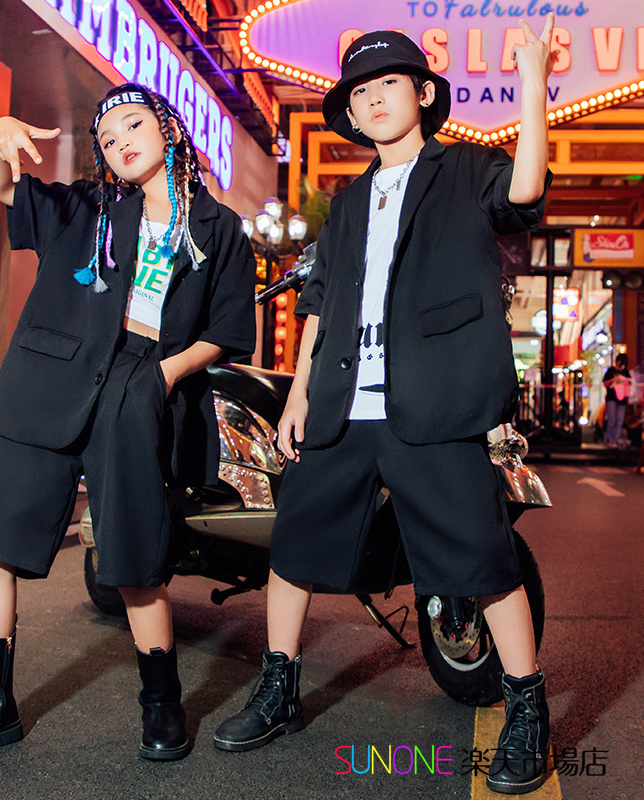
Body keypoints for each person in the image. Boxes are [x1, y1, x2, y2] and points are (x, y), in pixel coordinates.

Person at [214, 19, 555, 796]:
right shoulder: (349, 201)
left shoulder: (465, 168)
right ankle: (278, 687)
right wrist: (301, 393)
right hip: (343, 402)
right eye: (359, 92)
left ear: (424, 93)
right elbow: (320, 301)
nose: (372, 100)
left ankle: (526, 706)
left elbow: (526, 191)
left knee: (480, 556)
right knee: (294, 545)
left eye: (388, 84)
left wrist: (533, 79)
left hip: (434, 400)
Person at [0, 83, 255, 764]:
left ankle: (161, 705)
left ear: (168, 129)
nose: (121, 142)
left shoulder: (218, 228)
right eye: (107, 138)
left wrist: (163, 375)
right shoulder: (86, 207)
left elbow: (224, 331)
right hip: (52, 379)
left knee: (134, 554)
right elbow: (0, 189)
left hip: (139, 382)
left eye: (133, 125)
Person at [603, 352, 631, 447]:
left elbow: (630, 383)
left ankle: (616, 439)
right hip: (612, 398)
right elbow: (605, 383)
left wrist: (625, 380)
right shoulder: (611, 371)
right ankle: (611, 440)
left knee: (620, 420)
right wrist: (614, 380)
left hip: (622, 400)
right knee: (612, 419)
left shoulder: (626, 372)